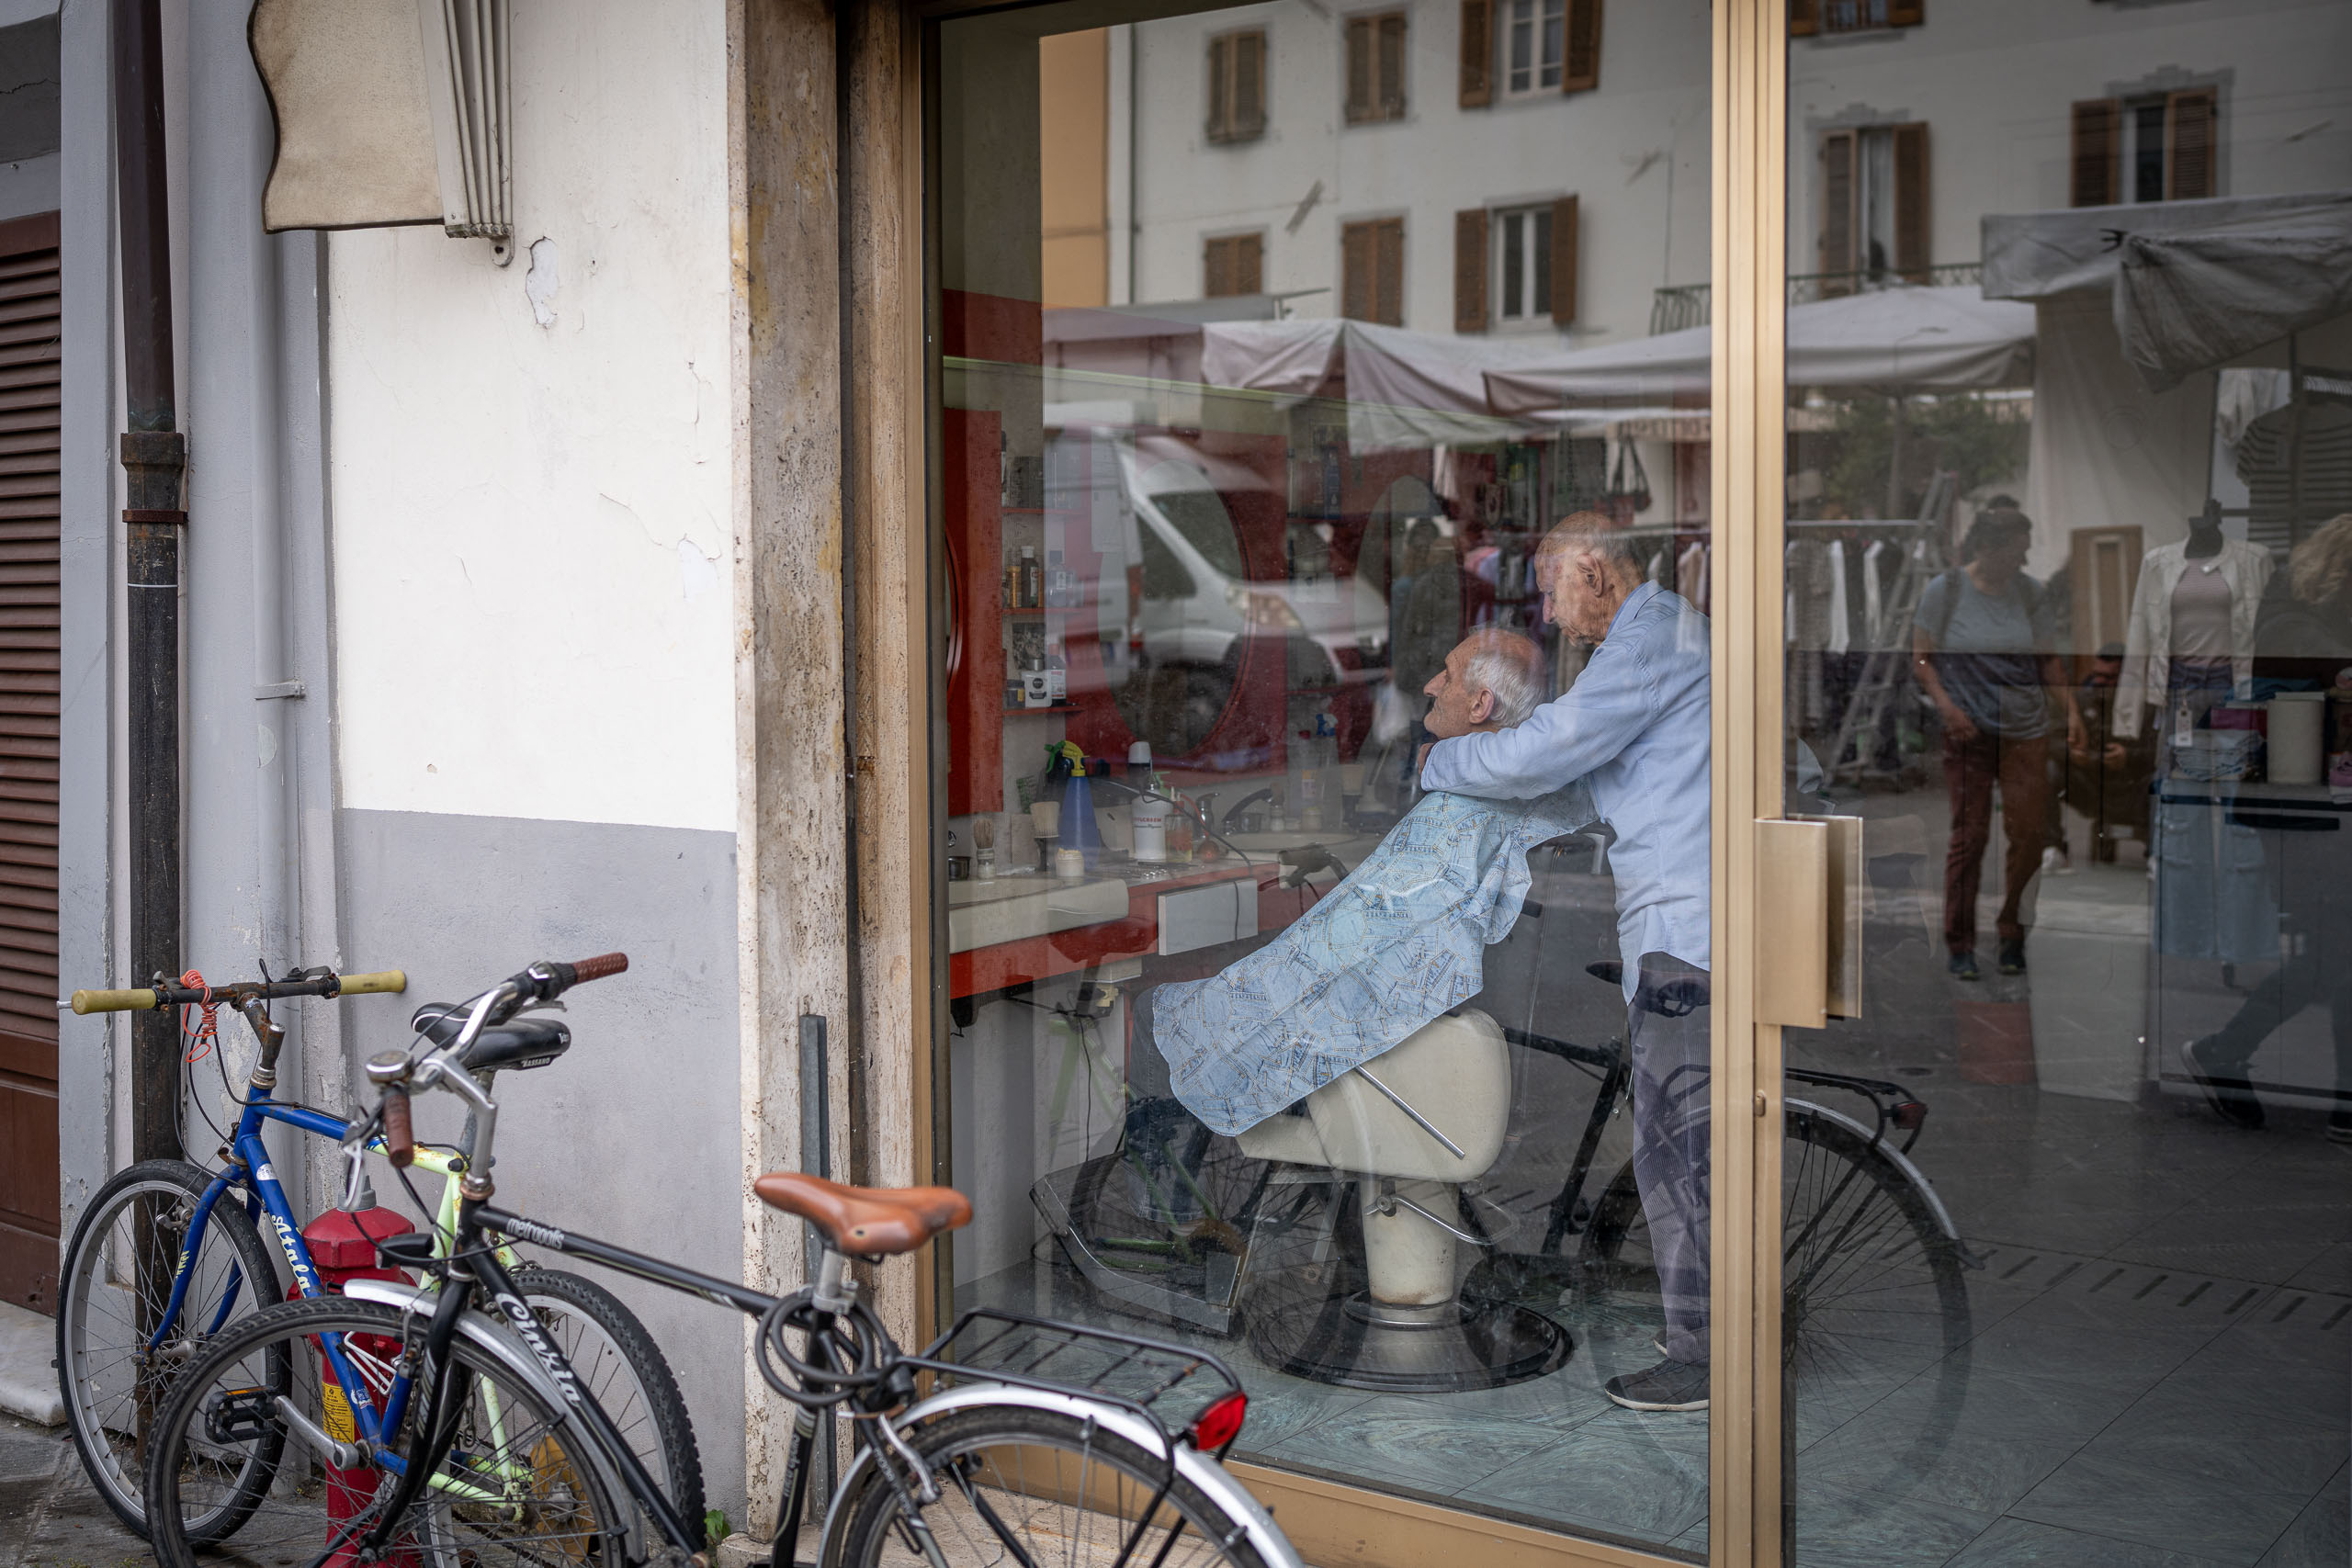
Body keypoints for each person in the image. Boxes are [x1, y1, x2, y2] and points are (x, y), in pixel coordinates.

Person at [1417, 511, 1713, 1415]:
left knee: (1676, 1148)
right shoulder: (1647, 639)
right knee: (1679, 1140)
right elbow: (1589, 778)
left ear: (1595, 571)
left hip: (1689, 926)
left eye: (1550, 587)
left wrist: (1445, 764)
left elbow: (1557, 747)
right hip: (1679, 914)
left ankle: (1705, 1356)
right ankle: (1705, 1329)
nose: (1546, 611)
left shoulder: (1652, 636)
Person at [2180, 513, 2352, 1146]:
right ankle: (2233, 1055)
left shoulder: (2312, 626)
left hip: (2317, 817)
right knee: (2336, 957)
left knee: (2334, 958)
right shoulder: (2300, 631)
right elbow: (2299, 732)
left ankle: (2229, 1052)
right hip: (2303, 820)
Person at [1911, 507, 2085, 980]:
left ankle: (2013, 933)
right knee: (1970, 838)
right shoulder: (1945, 591)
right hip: (1968, 732)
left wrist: (2070, 712)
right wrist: (1948, 708)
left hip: (2024, 729)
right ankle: (1960, 942)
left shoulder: (2029, 594)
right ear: (1988, 548)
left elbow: (2048, 659)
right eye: (2017, 550)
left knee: (2028, 835)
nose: (2023, 560)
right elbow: (1921, 659)